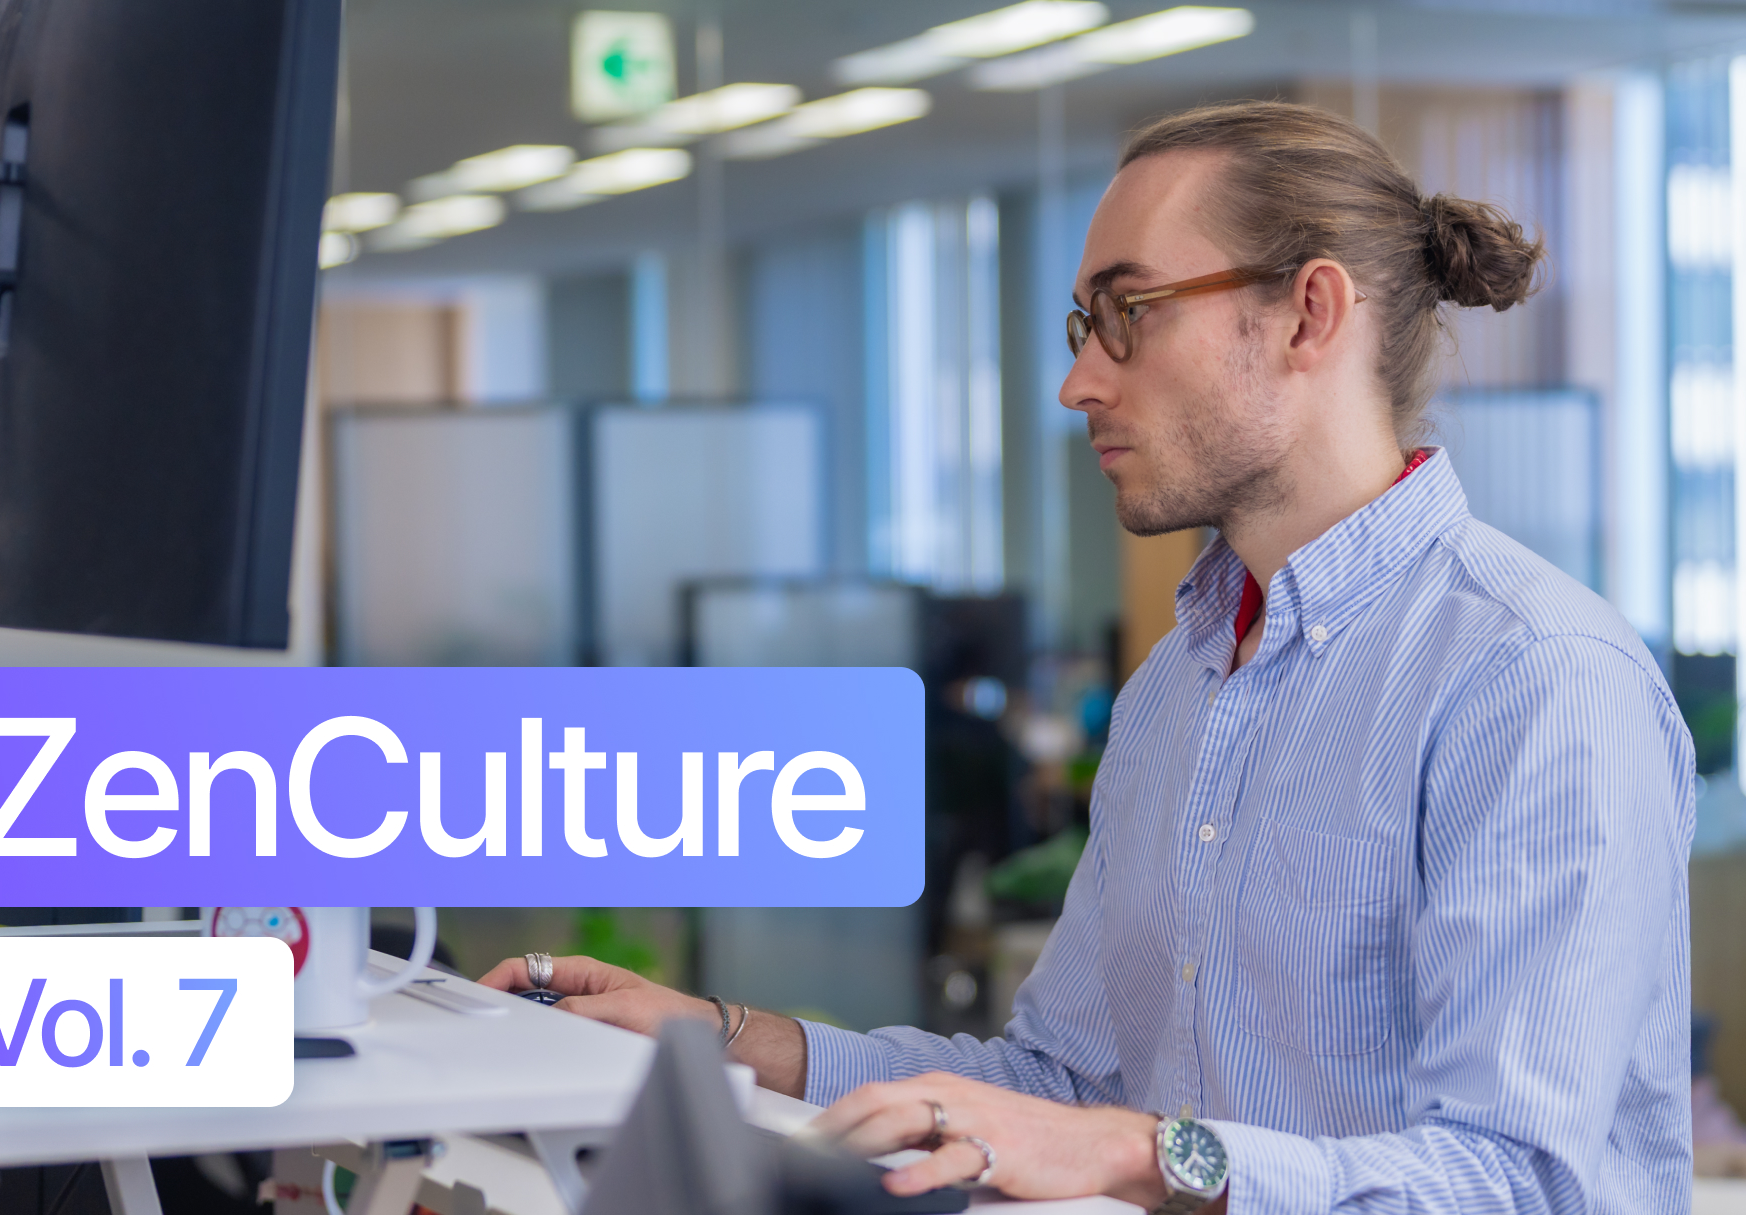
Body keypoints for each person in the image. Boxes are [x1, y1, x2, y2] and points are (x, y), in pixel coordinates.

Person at [480, 100, 1694, 1213]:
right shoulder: (1180, 685)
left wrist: (1140, 1154)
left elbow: (1519, 1181)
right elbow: (1060, 1084)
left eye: (1130, 314)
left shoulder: (1534, 678)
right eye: (1083, 325)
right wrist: (729, 1040)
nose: (1076, 383)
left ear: (1309, 314)